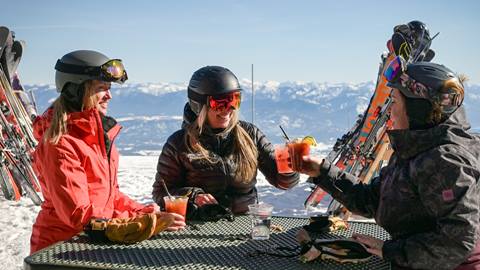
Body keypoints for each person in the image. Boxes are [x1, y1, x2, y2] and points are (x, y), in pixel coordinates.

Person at [299, 58, 480, 269]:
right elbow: (373, 200)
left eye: (394, 102)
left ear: (416, 109)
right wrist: (321, 171)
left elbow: (459, 240)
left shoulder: (445, 161)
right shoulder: (416, 148)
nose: (390, 113)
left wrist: (391, 250)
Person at [30, 50, 185, 254]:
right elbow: (79, 215)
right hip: (60, 249)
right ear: (76, 90)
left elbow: (108, 196)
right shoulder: (60, 144)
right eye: (102, 88)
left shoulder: (96, 137)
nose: (109, 95)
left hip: (92, 242)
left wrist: (143, 211)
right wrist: (144, 223)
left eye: (109, 88)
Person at [152, 66, 299, 215]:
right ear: (199, 105)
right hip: (199, 225)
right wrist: (193, 196)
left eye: (234, 100)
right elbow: (161, 193)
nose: (228, 109)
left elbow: (283, 182)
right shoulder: (179, 143)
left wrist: (289, 163)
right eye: (219, 103)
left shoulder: (250, 134)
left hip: (246, 223)